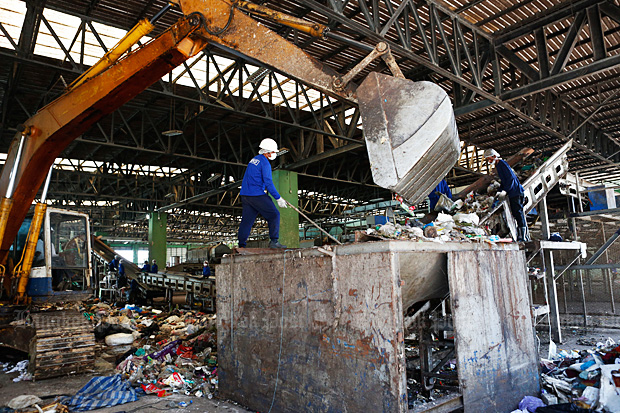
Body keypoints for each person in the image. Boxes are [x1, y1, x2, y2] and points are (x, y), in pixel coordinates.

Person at [238, 138, 288, 249]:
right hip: (256, 195)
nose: (275, 154)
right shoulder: (265, 163)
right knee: (274, 214)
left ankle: (241, 246)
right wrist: (278, 198)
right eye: (273, 152)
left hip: (245, 196)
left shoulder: (254, 160)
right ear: (267, 152)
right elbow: (268, 183)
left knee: (247, 221)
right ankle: (274, 241)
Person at [484, 148, 529, 242]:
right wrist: (499, 191)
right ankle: (521, 235)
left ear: (494, 156)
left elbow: (511, 179)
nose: (489, 161)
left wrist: (505, 190)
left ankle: (523, 236)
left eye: (489, 159)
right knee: (516, 214)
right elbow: (505, 181)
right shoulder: (499, 166)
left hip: (516, 192)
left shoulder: (502, 164)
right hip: (512, 192)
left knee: (518, 213)